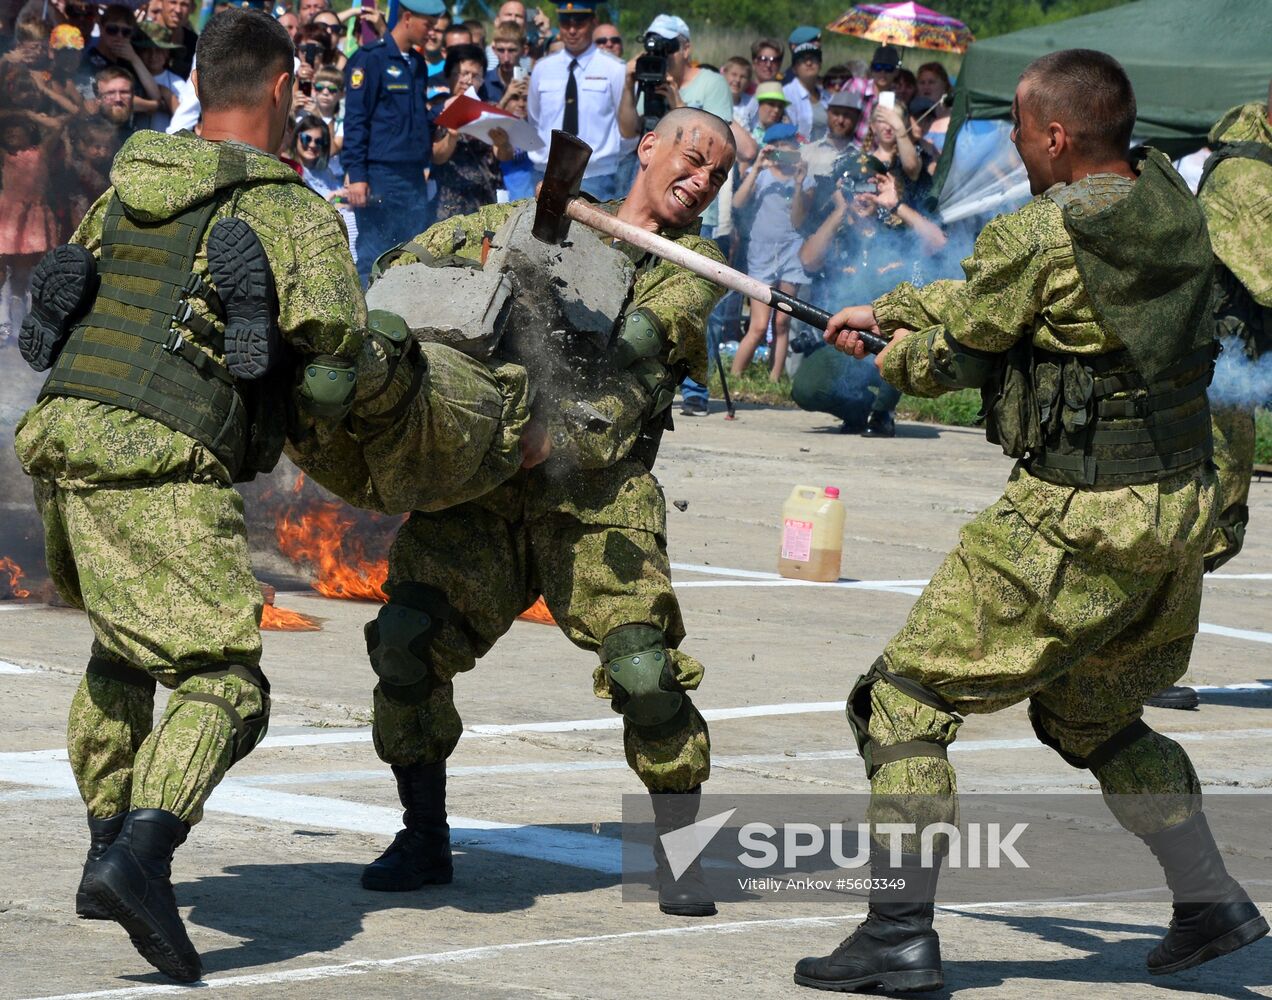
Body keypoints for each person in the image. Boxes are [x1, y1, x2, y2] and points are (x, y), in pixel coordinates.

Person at [16, 7, 537, 983]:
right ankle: (141, 853)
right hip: (161, 448)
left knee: (124, 653)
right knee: (226, 684)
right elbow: (341, 355)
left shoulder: (129, 186)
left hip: (61, 433)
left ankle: (102, 846)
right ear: (287, 88)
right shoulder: (287, 209)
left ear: (199, 86)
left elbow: (77, 287)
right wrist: (430, 400)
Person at [795, 49, 1269, 993]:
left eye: (1019, 129)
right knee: (1090, 714)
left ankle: (896, 935)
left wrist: (889, 353)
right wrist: (886, 307)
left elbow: (958, 352)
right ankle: (1210, 901)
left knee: (902, 701)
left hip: (1077, 516)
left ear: (1056, 135)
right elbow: (988, 308)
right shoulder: (1176, 201)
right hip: (1176, 509)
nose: (1014, 145)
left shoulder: (1042, 234)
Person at [359, 107, 735, 919]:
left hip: (596, 498)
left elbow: (640, 336)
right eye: (694, 158)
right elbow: (402, 269)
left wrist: (551, 402)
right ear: (648, 147)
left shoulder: (693, 261)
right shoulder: (528, 216)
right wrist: (498, 256)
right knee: (405, 643)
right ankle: (423, 834)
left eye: (718, 176)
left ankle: (680, 858)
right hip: (481, 489)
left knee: (645, 670)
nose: (701, 181)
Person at [1144, 83, 1272, 715]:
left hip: (1236, 372)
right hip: (1213, 371)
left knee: (1213, 520)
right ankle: (1136, 661)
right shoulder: (1249, 177)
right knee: (1204, 519)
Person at [340, 0, 442, 283]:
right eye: (428, 24)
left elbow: (413, 118)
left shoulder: (418, 63)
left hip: (412, 177)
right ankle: (368, 321)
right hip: (379, 175)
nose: (432, 32)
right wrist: (357, 175)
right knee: (373, 255)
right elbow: (356, 121)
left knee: (411, 254)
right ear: (407, 18)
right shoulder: (370, 58)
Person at [527, 0, 637, 201]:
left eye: (579, 23)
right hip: (544, 174)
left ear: (593, 22)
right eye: (565, 22)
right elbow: (534, 120)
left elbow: (628, 132)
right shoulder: (542, 69)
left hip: (595, 177)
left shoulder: (614, 69)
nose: (571, 30)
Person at [730, 122, 806, 382]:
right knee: (759, 325)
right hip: (762, 252)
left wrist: (799, 184)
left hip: (792, 249)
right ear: (770, 148)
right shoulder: (759, 172)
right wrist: (758, 167)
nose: (786, 152)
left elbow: (798, 220)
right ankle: (735, 375)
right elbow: (737, 203)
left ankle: (775, 378)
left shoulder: (803, 177)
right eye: (780, 148)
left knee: (783, 322)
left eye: (791, 147)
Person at [431, 43, 508, 220]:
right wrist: (452, 136)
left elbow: (504, 155)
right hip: (449, 206)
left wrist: (503, 144)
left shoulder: (491, 110)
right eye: (463, 73)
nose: (468, 80)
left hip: (486, 202)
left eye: (476, 76)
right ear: (449, 75)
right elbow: (437, 156)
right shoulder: (436, 111)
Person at [783, 32, 825, 140]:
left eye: (813, 59)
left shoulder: (826, 95)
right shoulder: (786, 94)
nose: (809, 63)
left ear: (820, 65)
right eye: (803, 60)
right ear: (794, 68)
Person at [484, 19, 523, 103]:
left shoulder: (533, 83)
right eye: (501, 50)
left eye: (512, 50)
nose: (506, 58)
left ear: (523, 50)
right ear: (494, 50)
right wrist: (507, 97)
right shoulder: (483, 83)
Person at [156, 0, 196, 77]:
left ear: (192, 8)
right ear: (160, 3)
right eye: (173, 2)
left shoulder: (196, 45)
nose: (178, 10)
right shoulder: (144, 35)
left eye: (184, 5)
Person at [722, 56, 756, 133]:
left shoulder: (752, 103)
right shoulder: (712, 100)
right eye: (734, 74)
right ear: (724, 74)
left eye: (743, 77)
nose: (737, 80)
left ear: (748, 82)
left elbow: (756, 130)